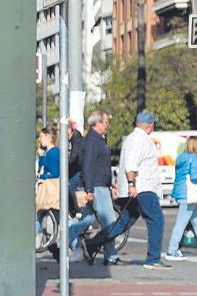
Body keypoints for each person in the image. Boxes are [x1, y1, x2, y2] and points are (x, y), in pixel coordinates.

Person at [84, 111, 169, 269]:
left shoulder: (131, 138)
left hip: (135, 188)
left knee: (122, 223)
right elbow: (131, 164)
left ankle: (93, 243)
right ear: (150, 125)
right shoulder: (140, 140)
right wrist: (132, 184)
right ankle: (153, 259)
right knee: (156, 220)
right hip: (142, 188)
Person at [68, 111, 122, 265]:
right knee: (109, 222)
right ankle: (110, 255)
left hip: (97, 185)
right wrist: (90, 190)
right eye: (105, 122)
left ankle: (63, 239)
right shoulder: (93, 141)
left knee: (88, 219)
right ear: (97, 123)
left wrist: (110, 184)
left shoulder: (95, 139)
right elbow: (88, 166)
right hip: (96, 187)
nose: (107, 125)